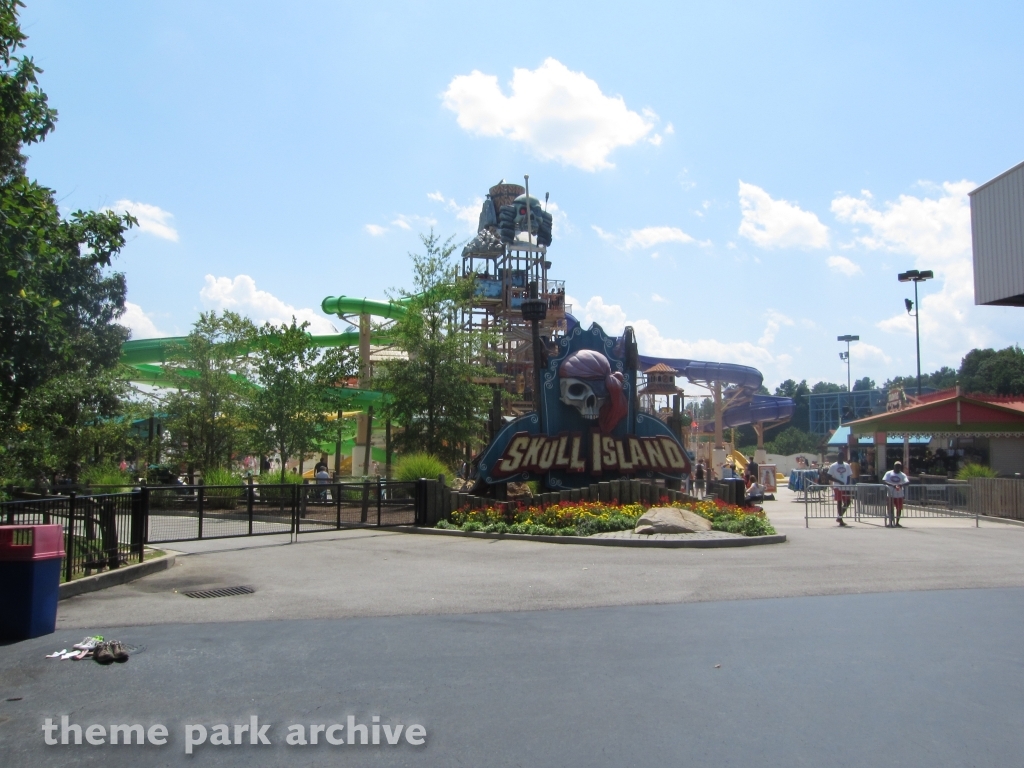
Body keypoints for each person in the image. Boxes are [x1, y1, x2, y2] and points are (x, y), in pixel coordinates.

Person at [827, 453, 855, 526]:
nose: (841, 458)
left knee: (848, 501)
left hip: (845, 486)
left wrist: (847, 484)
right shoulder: (833, 466)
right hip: (837, 487)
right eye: (840, 457)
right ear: (838, 457)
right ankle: (840, 519)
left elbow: (849, 475)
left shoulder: (847, 465)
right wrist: (839, 481)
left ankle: (840, 516)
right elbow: (829, 476)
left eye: (842, 457)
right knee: (839, 502)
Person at [882, 461, 910, 528]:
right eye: (896, 466)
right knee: (890, 509)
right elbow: (884, 480)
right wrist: (893, 485)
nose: (897, 468)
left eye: (899, 466)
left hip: (899, 495)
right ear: (894, 466)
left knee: (899, 509)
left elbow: (907, 482)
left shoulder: (902, 475)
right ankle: (891, 522)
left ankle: (897, 522)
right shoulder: (889, 473)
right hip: (890, 494)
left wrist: (900, 485)